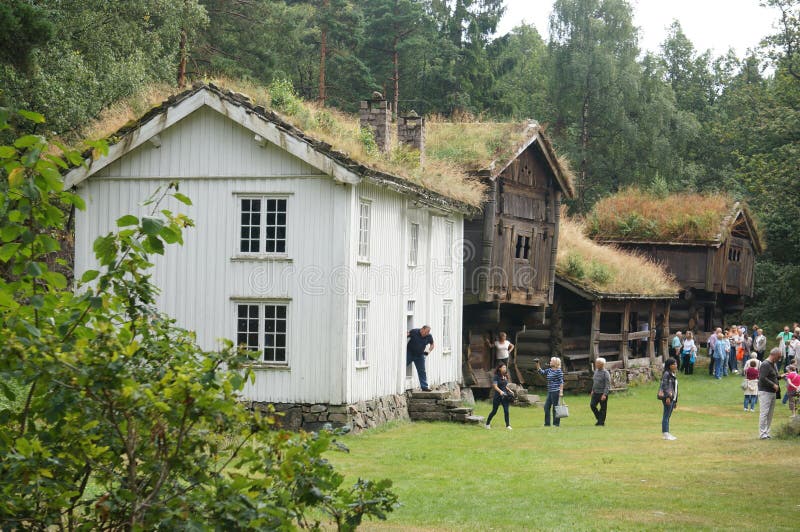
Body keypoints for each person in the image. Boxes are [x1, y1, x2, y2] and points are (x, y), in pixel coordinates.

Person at [758, 347, 782, 439]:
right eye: (779, 356)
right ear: (774, 355)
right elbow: (762, 378)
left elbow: (773, 376)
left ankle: (767, 432)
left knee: (770, 414)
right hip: (765, 391)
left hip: (772, 392)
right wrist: (773, 385)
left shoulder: (773, 364)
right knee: (764, 413)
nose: (779, 359)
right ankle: (762, 434)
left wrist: (780, 377)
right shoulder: (765, 364)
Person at [536, 357, 564, 427]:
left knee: (555, 408)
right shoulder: (549, 370)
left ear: (555, 363)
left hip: (556, 391)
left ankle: (556, 424)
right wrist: (537, 363)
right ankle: (547, 424)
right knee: (546, 407)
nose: (550, 362)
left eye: (551, 361)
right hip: (550, 391)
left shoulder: (559, 371)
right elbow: (541, 372)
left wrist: (561, 392)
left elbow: (561, 382)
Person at [484, 363, 513, 430]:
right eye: (503, 367)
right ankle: (487, 423)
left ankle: (508, 425)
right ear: (500, 368)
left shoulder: (505, 376)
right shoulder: (496, 376)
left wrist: (509, 390)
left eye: (505, 367)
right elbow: (495, 386)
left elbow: (505, 386)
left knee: (506, 411)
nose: (505, 369)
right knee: (494, 411)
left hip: (505, 396)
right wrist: (500, 392)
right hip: (498, 396)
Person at [407, 325, 434, 391]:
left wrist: (427, 352)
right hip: (410, 353)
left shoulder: (429, 336)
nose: (425, 334)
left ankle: (424, 387)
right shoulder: (414, 331)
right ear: (422, 329)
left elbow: (432, 344)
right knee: (402, 366)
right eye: (425, 332)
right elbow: (406, 335)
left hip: (420, 355)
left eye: (427, 333)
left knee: (422, 371)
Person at [659, 358, 679, 440]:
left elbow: (675, 388)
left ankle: (667, 433)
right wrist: (667, 397)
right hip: (668, 398)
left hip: (672, 398)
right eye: (674, 364)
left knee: (668, 416)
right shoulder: (666, 374)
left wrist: (675, 400)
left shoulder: (672, 374)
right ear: (669, 365)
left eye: (676, 364)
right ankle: (666, 434)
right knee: (666, 415)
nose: (676, 365)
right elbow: (665, 386)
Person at [590, 357, 611, 426]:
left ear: (602, 364)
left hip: (602, 393)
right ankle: (600, 419)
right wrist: (592, 390)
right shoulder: (596, 371)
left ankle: (600, 422)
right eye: (596, 363)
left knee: (603, 408)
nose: (596, 364)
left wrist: (604, 394)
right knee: (592, 405)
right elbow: (594, 382)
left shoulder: (606, 373)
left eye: (597, 363)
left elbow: (607, 384)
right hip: (595, 392)